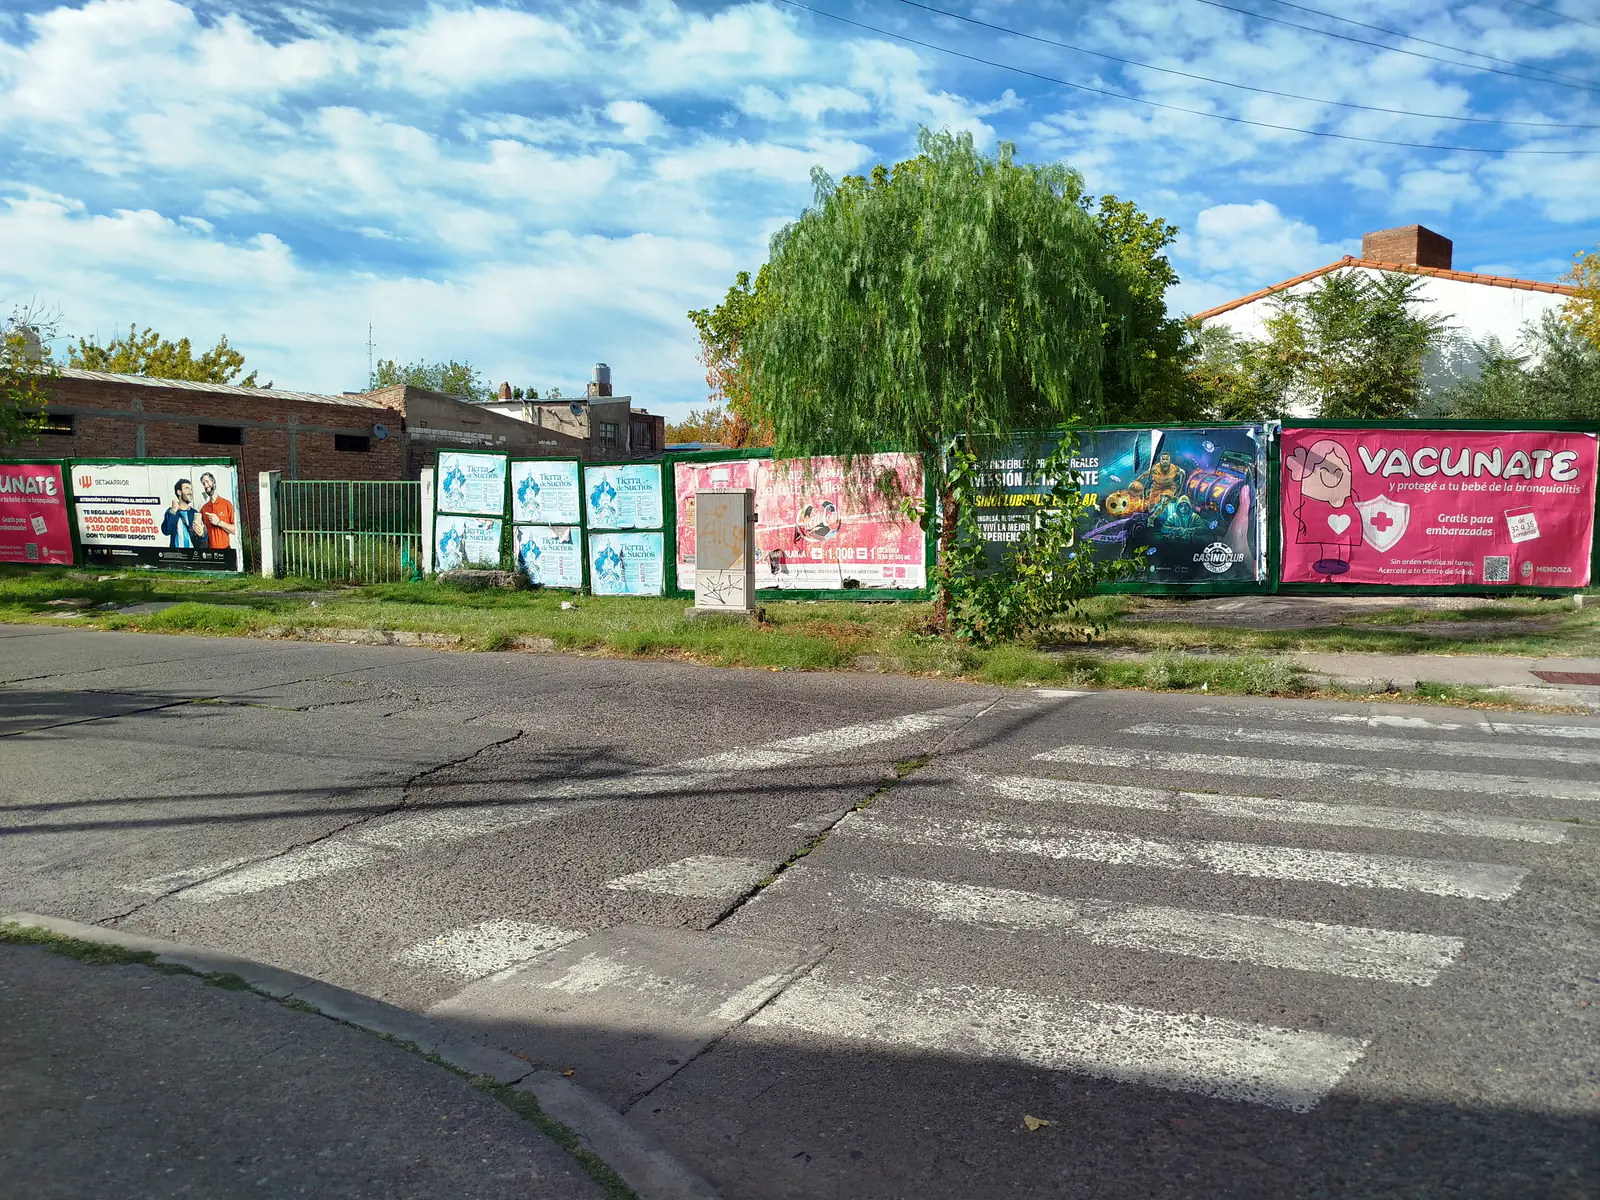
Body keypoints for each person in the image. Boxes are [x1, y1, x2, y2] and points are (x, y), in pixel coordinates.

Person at [161, 479, 207, 549]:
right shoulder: (171, 512)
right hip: (176, 556)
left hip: (192, 556)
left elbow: (203, 539)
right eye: (186, 488)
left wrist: (202, 535)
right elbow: (166, 531)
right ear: (179, 492)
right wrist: (173, 511)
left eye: (191, 489)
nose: (190, 492)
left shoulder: (195, 513)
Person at [198, 471, 236, 550]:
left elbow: (236, 531)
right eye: (203, 484)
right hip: (210, 551)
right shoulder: (203, 509)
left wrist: (219, 522)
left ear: (214, 482)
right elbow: (200, 532)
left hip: (226, 550)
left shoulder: (227, 504)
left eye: (207, 481)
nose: (206, 485)